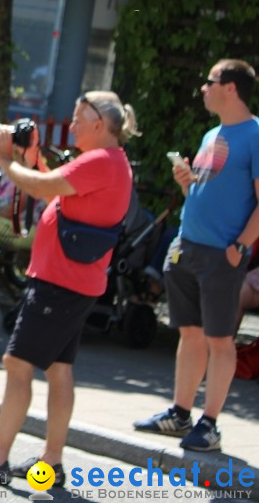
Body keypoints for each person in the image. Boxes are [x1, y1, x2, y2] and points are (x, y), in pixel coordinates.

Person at [0, 91, 138, 486]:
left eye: (77, 118)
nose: (71, 125)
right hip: (71, 282)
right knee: (58, 368)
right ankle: (51, 464)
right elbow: (54, 186)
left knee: (17, 363)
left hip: (60, 284)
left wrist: (4, 159)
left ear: (99, 125)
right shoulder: (107, 161)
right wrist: (31, 159)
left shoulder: (102, 161)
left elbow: (39, 187)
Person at [133, 60, 259, 453]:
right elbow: (206, 195)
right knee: (189, 334)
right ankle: (180, 414)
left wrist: (240, 247)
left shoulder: (255, 136)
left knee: (220, 341)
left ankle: (210, 425)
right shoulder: (211, 134)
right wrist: (188, 184)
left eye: (210, 82)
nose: (203, 88)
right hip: (186, 248)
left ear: (232, 88)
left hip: (222, 255)